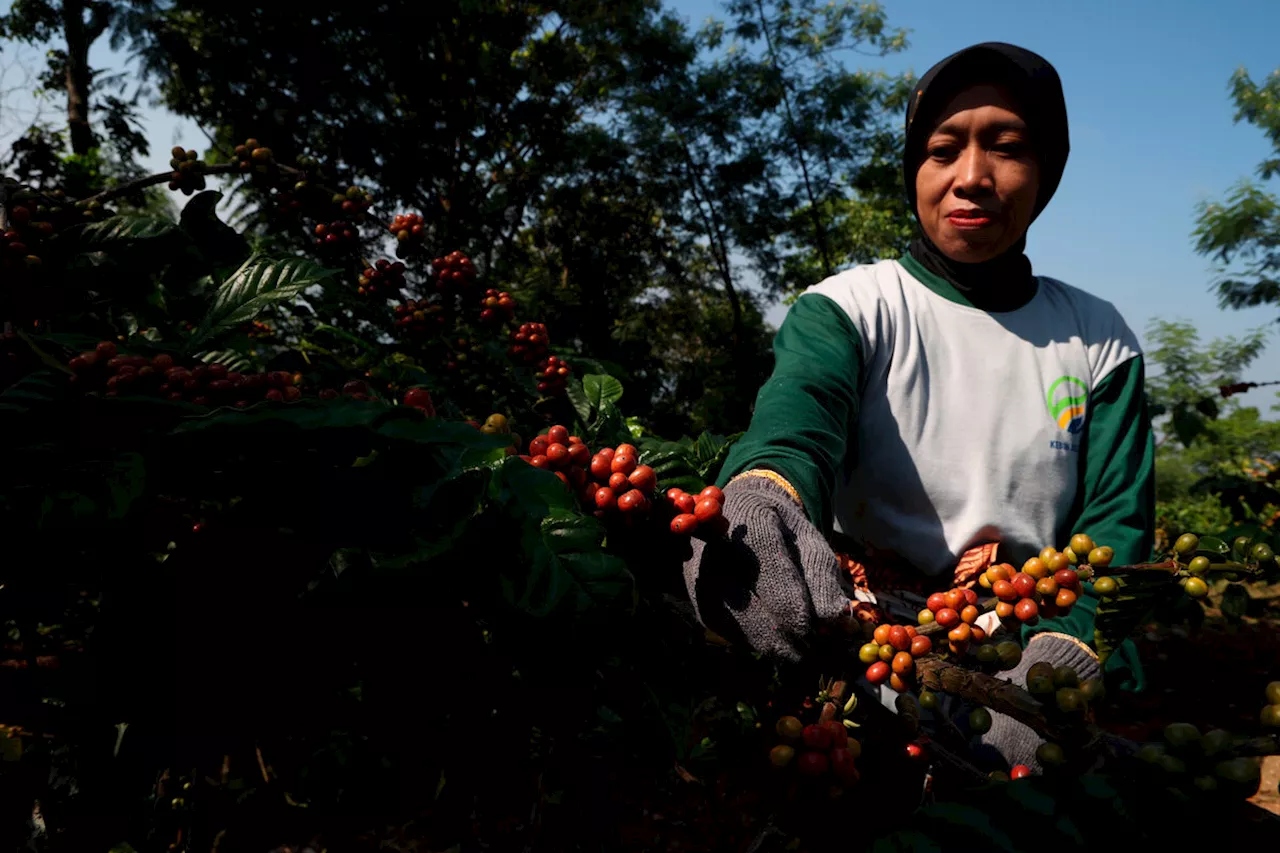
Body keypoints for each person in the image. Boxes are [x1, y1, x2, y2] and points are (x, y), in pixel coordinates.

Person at [681, 43, 1155, 772]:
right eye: (942, 150)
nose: (972, 177)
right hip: (864, 650)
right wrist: (761, 490)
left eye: (1007, 147)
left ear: (1047, 176)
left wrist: (1063, 660)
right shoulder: (849, 308)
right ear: (915, 172)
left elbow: (1117, 523)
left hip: (1021, 650)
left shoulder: (1097, 339)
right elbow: (796, 423)